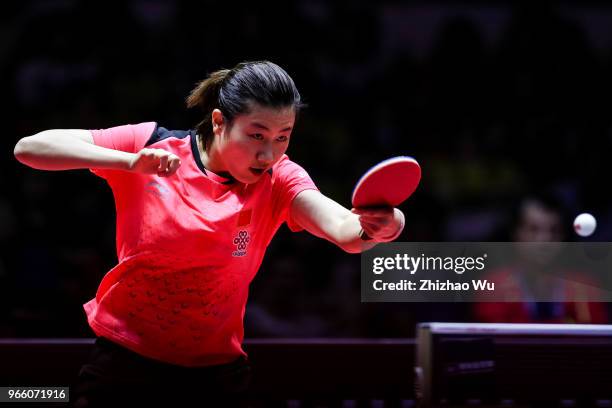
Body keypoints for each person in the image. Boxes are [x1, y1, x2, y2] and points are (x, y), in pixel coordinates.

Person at [13, 61, 405, 407]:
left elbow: (345, 230)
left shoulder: (278, 178)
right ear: (219, 122)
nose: (268, 154)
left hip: (216, 377)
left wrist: (387, 224)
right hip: (124, 363)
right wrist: (129, 162)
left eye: (282, 136)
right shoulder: (152, 145)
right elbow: (30, 148)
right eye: (256, 135)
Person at [472, 193, 608, 324]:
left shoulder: (586, 289)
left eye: (554, 230)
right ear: (516, 234)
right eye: (533, 230)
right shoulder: (493, 287)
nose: (545, 240)